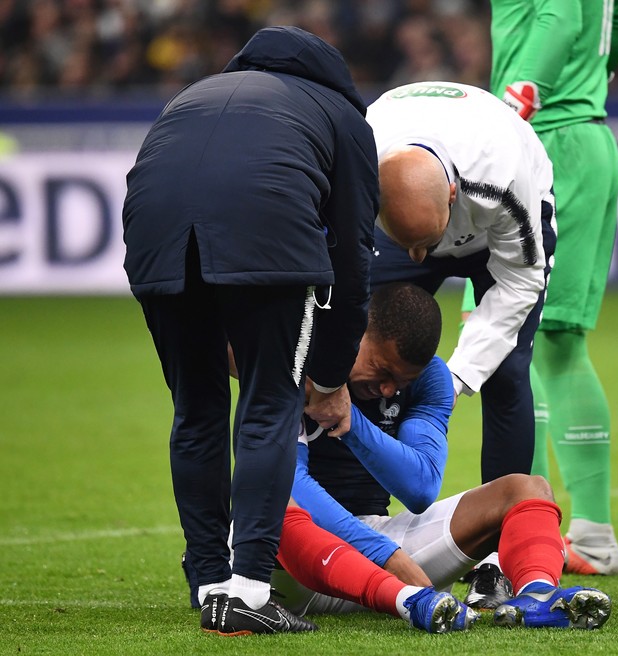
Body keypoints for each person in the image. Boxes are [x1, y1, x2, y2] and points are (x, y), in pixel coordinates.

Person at [122, 26, 378, 636]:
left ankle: (209, 579)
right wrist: (331, 370)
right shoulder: (340, 113)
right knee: (270, 403)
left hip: (152, 237)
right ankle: (248, 589)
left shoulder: (196, 93)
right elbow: (354, 252)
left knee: (196, 406)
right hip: (265, 224)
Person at [270, 282, 612, 631]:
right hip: (295, 567)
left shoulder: (431, 377)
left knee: (527, 488)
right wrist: (385, 555)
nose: (388, 389)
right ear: (357, 332)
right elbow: (287, 482)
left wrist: (352, 422)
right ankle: (406, 597)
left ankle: (537, 596)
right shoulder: (299, 357)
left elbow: (420, 488)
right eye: (382, 370)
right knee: (278, 506)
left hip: (382, 551)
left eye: (401, 381)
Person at [477, 0, 618, 579]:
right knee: (552, 344)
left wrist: (520, 94)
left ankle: (537, 534)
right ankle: (578, 534)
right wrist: (594, 74)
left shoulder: (528, 111)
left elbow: (560, 18)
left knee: (513, 341)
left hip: (543, 140)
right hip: (586, 138)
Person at [365, 80, 557, 489]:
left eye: (427, 244)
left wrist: (455, 380)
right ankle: (357, 509)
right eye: (410, 246)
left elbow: (521, 283)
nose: (420, 258)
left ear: (452, 195)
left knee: (505, 371)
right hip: (407, 207)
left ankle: (506, 537)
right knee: (365, 353)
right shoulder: (359, 162)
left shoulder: (502, 178)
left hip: (497, 235)